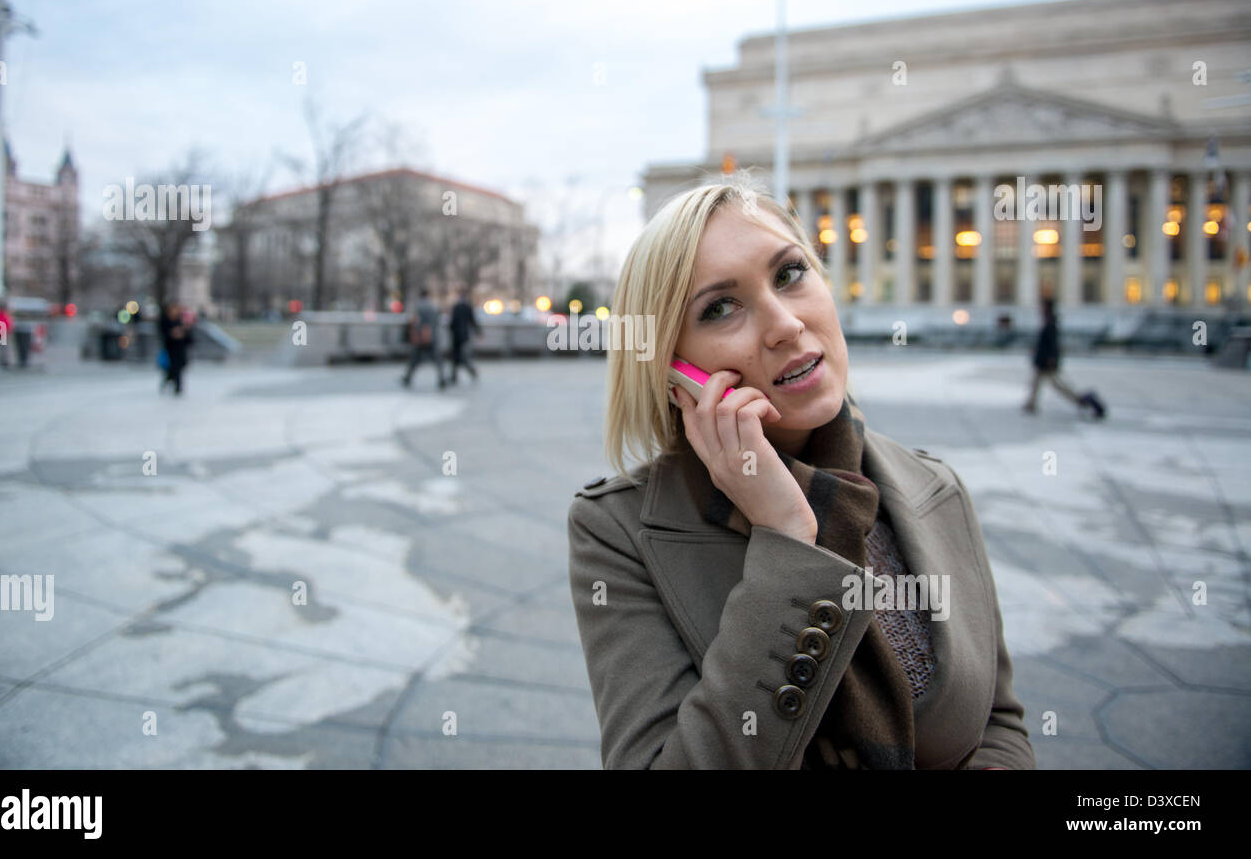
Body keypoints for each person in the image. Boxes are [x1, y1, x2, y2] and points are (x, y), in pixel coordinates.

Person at [567, 176, 1036, 769]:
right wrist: (788, 539)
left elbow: (997, 719)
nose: (785, 323)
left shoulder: (932, 486)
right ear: (672, 371)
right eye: (720, 307)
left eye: (790, 273)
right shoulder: (618, 533)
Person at [1022, 297, 1105, 418]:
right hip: (1043, 360)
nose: (1040, 309)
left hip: (1045, 362)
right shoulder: (1048, 322)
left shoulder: (1050, 323)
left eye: (1042, 307)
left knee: (1055, 384)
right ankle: (1031, 403)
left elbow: (1052, 344)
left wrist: (1051, 359)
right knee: (1038, 382)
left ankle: (1078, 399)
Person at [401, 288, 446, 390]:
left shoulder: (420, 306)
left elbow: (416, 322)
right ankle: (441, 378)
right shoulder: (433, 306)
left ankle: (408, 378)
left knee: (414, 358)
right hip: (433, 336)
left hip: (422, 336)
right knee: (437, 359)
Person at [158, 302, 193, 396]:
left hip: (181, 348)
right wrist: (172, 334)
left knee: (179, 367)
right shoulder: (164, 321)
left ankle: (170, 381)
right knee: (174, 367)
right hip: (171, 349)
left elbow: (188, 337)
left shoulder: (180, 321)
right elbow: (163, 334)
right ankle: (178, 387)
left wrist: (183, 333)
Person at [448, 288, 482, 384]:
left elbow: (452, 322)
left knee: (458, 356)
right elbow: (472, 321)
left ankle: (456, 375)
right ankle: (465, 373)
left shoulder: (456, 307)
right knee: (461, 355)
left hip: (456, 335)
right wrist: (478, 332)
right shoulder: (467, 307)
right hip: (464, 335)